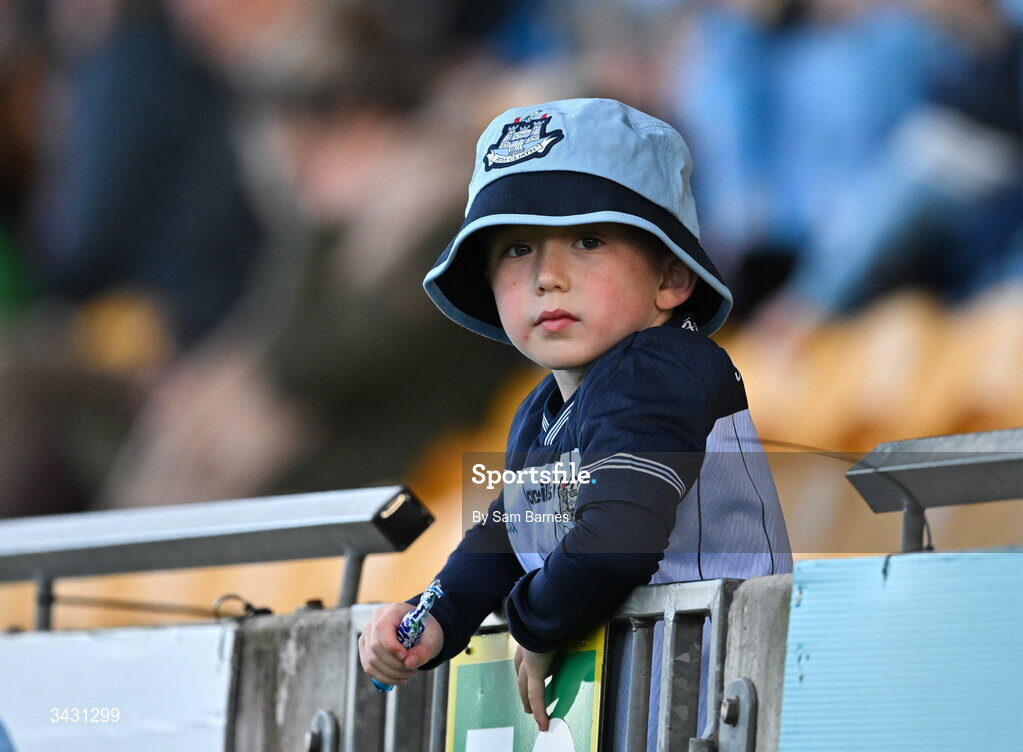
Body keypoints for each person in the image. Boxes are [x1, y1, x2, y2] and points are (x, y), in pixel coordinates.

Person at [358, 98, 792, 747]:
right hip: (647, 706)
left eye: (587, 240)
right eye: (516, 248)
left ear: (671, 277)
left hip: (718, 705)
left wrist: (535, 625)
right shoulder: (540, 407)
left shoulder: (659, 367)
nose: (546, 277)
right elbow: (506, 536)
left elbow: (615, 537)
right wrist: (431, 619)